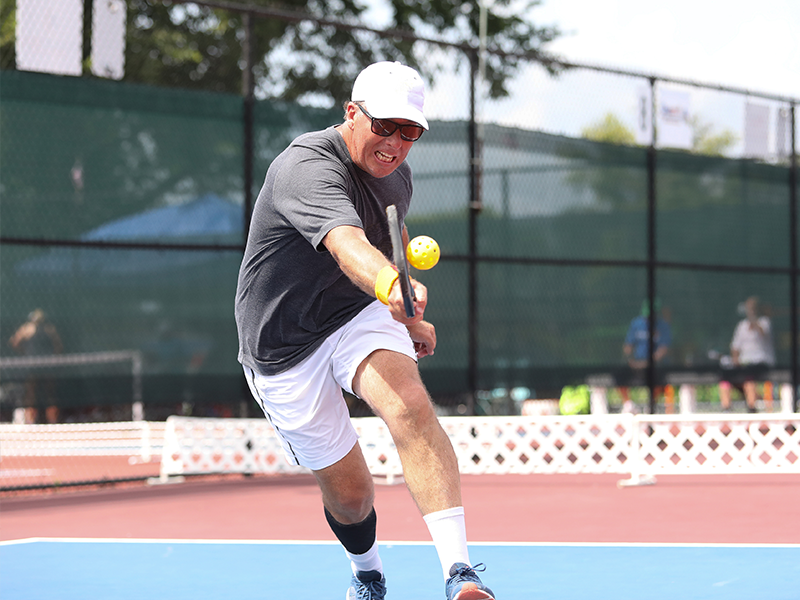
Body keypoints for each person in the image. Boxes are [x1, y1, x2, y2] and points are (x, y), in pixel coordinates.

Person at [234, 62, 495, 600]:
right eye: (385, 126)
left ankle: (460, 574)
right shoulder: (305, 166)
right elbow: (347, 243)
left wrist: (406, 312)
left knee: (409, 405)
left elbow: (389, 238)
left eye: (411, 132)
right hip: (281, 346)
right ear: (352, 113)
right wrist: (388, 284)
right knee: (351, 495)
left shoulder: (394, 171)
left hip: (357, 312)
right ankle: (368, 574)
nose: (396, 144)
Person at [719, 296, 775, 412]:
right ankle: (726, 409)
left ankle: (751, 408)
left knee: (749, 378)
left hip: (760, 364)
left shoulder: (765, 322)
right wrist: (735, 360)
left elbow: (763, 334)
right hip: (742, 365)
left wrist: (753, 319)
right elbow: (735, 347)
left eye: (752, 308)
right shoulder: (741, 326)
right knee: (725, 378)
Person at [8, 309, 63, 424]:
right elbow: (58, 346)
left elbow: (14, 342)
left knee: (35, 394)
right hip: (43, 365)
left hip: (35, 364)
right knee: (44, 394)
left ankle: (39, 420)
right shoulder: (47, 329)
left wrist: (24, 352)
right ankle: (45, 420)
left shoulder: (31, 329)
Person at [620, 299, 672, 413]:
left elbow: (662, 352)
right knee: (617, 374)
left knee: (661, 378)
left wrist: (644, 364)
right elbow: (628, 346)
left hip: (656, 366)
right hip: (636, 364)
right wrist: (630, 360)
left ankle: (651, 405)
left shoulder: (663, 326)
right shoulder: (636, 323)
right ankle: (629, 405)